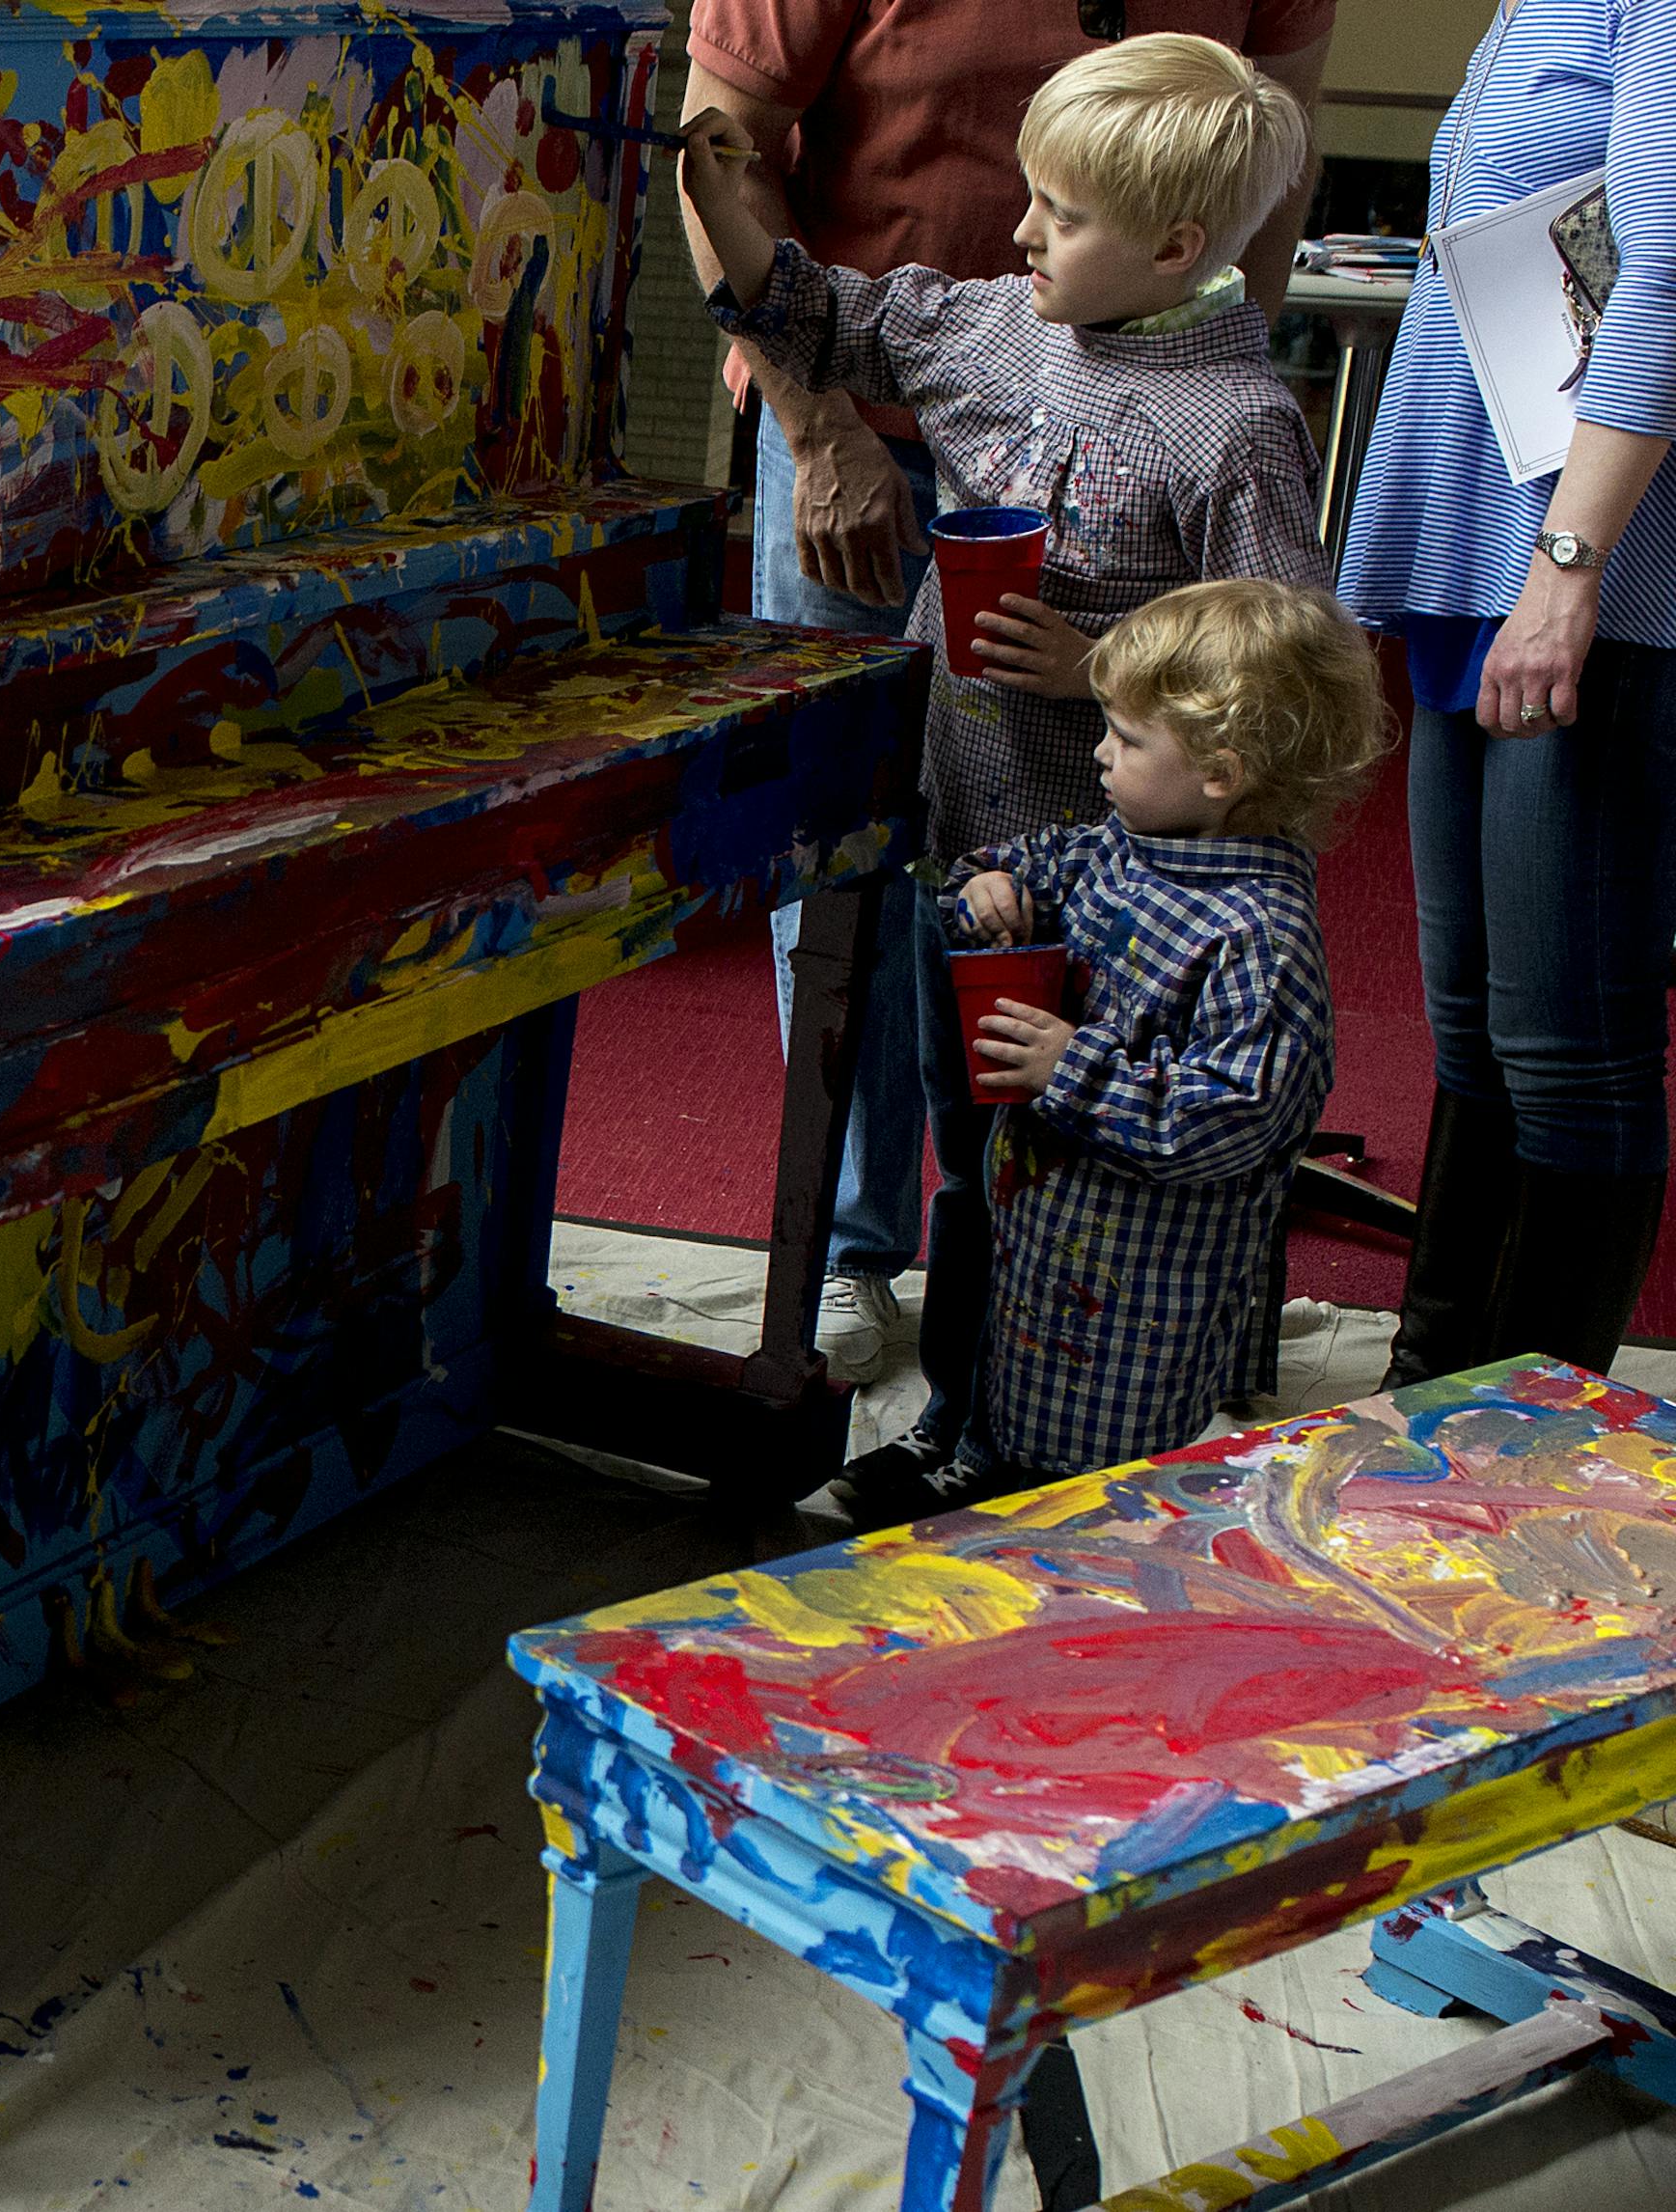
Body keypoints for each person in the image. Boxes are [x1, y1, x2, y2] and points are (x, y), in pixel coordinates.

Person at [678, 31, 1333, 1511]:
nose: (1019, 231)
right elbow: (818, 313)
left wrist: (1098, 660)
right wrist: (722, 196)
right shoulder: (990, 326)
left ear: (1176, 245)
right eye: (1028, 196)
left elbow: (1286, 672)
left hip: (1145, 897)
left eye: (1062, 214)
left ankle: (1099, 1453)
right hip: (973, 859)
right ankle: (962, 1435)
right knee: (980, 1163)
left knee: (1098, 1186)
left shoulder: (1236, 429)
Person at [1339, 0, 1676, 1387]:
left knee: (1570, 1046)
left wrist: (1568, 571)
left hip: (1582, 579)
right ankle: (1426, 1405)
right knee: (1476, 1025)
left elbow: (1661, 274)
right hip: (1487, 558)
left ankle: (1529, 1464)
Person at [916, 581, 1387, 1508]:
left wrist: (1070, 1069)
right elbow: (999, 866)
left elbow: (1228, 1120)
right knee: (1005, 1410)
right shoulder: (1123, 845)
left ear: (1222, 770)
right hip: (1040, 1237)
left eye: (1127, 740)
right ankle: (977, 1466)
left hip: (1139, 1303)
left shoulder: (1262, 937)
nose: (1098, 752)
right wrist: (987, 889)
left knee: (1097, 1499)